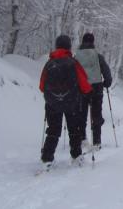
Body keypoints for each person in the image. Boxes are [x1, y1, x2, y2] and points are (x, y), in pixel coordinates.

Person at [39, 34, 92, 167]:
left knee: (53, 130)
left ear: (57, 46)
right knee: (74, 130)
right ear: (69, 47)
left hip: (52, 103)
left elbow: (41, 86)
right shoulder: (73, 63)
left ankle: (47, 159)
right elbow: (85, 85)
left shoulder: (49, 64)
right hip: (72, 102)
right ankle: (76, 157)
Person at [75, 32, 112, 150]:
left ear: (82, 41)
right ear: (93, 42)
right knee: (96, 115)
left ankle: (82, 139)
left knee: (81, 114)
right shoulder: (98, 56)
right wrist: (107, 82)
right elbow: (106, 71)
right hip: (96, 88)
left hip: (81, 88)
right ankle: (97, 142)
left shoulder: (76, 57)